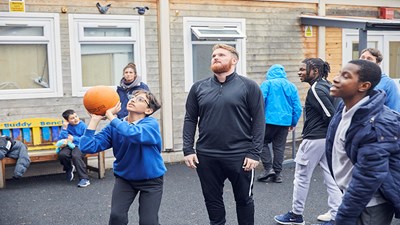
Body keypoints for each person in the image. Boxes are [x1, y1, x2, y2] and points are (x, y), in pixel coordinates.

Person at [182, 44, 265, 225]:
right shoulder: (198, 88)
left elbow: (259, 121)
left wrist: (254, 152)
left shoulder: (249, 87)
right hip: (207, 155)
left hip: (240, 156)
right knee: (212, 202)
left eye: (221, 55)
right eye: (213, 55)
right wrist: (188, 149)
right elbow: (190, 119)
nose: (216, 58)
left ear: (234, 60)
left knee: (244, 200)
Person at [326, 59, 400, 225]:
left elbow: (368, 178)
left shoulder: (379, 124)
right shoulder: (344, 110)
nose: (336, 79)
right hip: (351, 196)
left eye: (345, 76)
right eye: (339, 73)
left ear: (364, 86)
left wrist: (344, 217)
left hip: (371, 205)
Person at [80, 89, 166, 225]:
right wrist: (94, 120)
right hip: (125, 179)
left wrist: (111, 117)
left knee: (148, 222)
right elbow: (87, 147)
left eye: (140, 100)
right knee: (116, 217)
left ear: (148, 110)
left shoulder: (151, 125)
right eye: (132, 97)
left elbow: (132, 133)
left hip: (151, 181)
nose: (132, 100)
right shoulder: (114, 126)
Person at [274, 58, 342, 225]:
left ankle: (296, 215)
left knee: (302, 177)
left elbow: (330, 115)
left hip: (315, 140)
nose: (299, 72)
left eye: (303, 69)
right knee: (330, 177)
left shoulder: (317, 90)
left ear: (315, 71)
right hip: (324, 139)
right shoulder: (326, 85)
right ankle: (337, 215)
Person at [257, 64, 302, 183]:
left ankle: (268, 168)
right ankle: (277, 174)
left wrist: (257, 119)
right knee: (279, 147)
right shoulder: (291, 86)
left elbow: (260, 102)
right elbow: (297, 107)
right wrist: (293, 122)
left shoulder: (267, 84)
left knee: (261, 142)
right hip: (284, 122)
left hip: (268, 120)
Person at [359, 48, 400, 112]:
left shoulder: (388, 83)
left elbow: (394, 110)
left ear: (378, 63)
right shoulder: (355, 80)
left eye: (369, 59)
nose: (365, 60)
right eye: (362, 57)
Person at [58, 109, 90, 188]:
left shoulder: (82, 126)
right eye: (72, 118)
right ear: (67, 120)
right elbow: (62, 138)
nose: (75, 119)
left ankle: (84, 179)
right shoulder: (67, 126)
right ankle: (69, 168)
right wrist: (64, 128)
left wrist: (74, 138)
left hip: (81, 145)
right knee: (62, 154)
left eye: (76, 116)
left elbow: (86, 139)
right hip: (69, 145)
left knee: (76, 155)